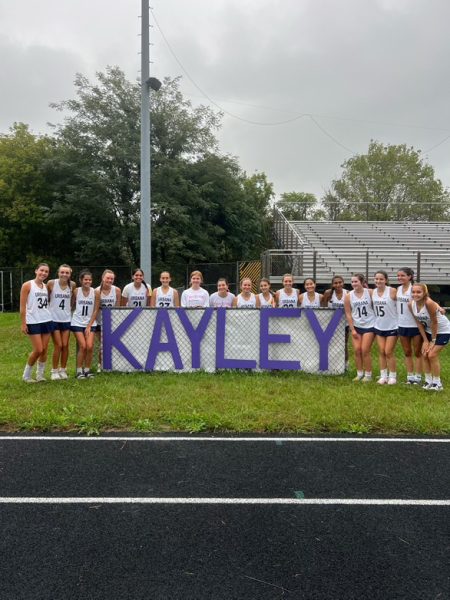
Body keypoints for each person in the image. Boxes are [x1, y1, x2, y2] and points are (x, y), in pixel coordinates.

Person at [409, 283, 450, 391]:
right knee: (424, 354)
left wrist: (433, 341)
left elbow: (435, 323)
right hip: (428, 331)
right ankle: (428, 381)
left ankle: (437, 383)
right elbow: (419, 324)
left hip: (442, 330)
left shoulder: (429, 303)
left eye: (418, 292)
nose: (415, 294)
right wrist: (426, 341)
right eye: (413, 292)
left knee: (432, 355)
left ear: (424, 293)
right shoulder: (410, 304)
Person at [20, 263, 53, 383]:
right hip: (33, 321)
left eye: (46, 272)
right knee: (38, 349)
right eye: (41, 270)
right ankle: (26, 375)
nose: (43, 273)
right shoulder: (27, 285)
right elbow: (22, 307)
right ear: (36, 271)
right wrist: (23, 323)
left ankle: (40, 375)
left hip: (46, 319)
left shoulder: (46, 287)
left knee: (44, 350)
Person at [344, 273, 375, 382]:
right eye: (352, 282)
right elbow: (348, 313)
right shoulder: (348, 296)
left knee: (365, 350)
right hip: (357, 326)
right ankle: (359, 373)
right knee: (357, 350)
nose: (354, 284)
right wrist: (352, 329)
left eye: (356, 281)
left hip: (370, 324)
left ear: (362, 282)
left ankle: (368, 374)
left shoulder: (370, 292)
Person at [48, 264, 76, 380]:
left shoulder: (72, 285)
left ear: (70, 274)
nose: (64, 274)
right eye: (62, 272)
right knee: (58, 345)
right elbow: (47, 299)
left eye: (67, 273)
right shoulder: (51, 283)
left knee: (65, 345)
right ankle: (54, 371)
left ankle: (63, 369)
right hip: (53, 318)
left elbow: (73, 301)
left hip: (66, 319)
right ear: (58, 273)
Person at [70, 270, 100, 379]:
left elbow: (96, 310)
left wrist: (89, 326)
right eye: (85, 279)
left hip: (90, 323)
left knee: (90, 346)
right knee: (82, 346)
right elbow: (71, 305)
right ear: (81, 280)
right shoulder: (76, 291)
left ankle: (87, 370)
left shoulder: (95, 292)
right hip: (77, 322)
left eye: (90, 280)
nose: (88, 281)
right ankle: (79, 371)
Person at [396, 267, 423, 385]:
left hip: (415, 325)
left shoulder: (414, 289)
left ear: (409, 277)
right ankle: (410, 376)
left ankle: (418, 377)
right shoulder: (398, 289)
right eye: (398, 276)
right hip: (402, 324)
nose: (400, 278)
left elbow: (426, 300)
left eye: (402, 275)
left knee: (417, 352)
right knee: (407, 352)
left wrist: (438, 308)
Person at [372, 271, 398, 385]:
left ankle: (393, 376)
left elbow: (405, 300)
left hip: (392, 325)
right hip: (379, 325)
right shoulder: (372, 292)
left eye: (381, 279)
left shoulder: (392, 291)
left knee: (388, 351)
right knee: (381, 351)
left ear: (386, 280)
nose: (378, 281)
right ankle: (383, 376)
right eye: (376, 279)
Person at [95, 269, 121, 372]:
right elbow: (95, 308)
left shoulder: (117, 290)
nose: (109, 280)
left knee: (110, 344)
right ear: (103, 278)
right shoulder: (96, 291)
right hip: (99, 321)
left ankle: (111, 364)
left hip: (112, 321)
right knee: (103, 344)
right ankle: (100, 365)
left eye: (112, 279)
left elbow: (118, 307)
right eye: (108, 278)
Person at [322, 275, 349, 369]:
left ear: (343, 283)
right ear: (332, 284)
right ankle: (330, 363)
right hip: (331, 324)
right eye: (335, 283)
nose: (338, 285)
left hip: (344, 324)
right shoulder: (328, 293)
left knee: (343, 344)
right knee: (329, 344)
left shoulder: (348, 293)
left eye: (340, 282)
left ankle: (345, 365)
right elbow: (323, 308)